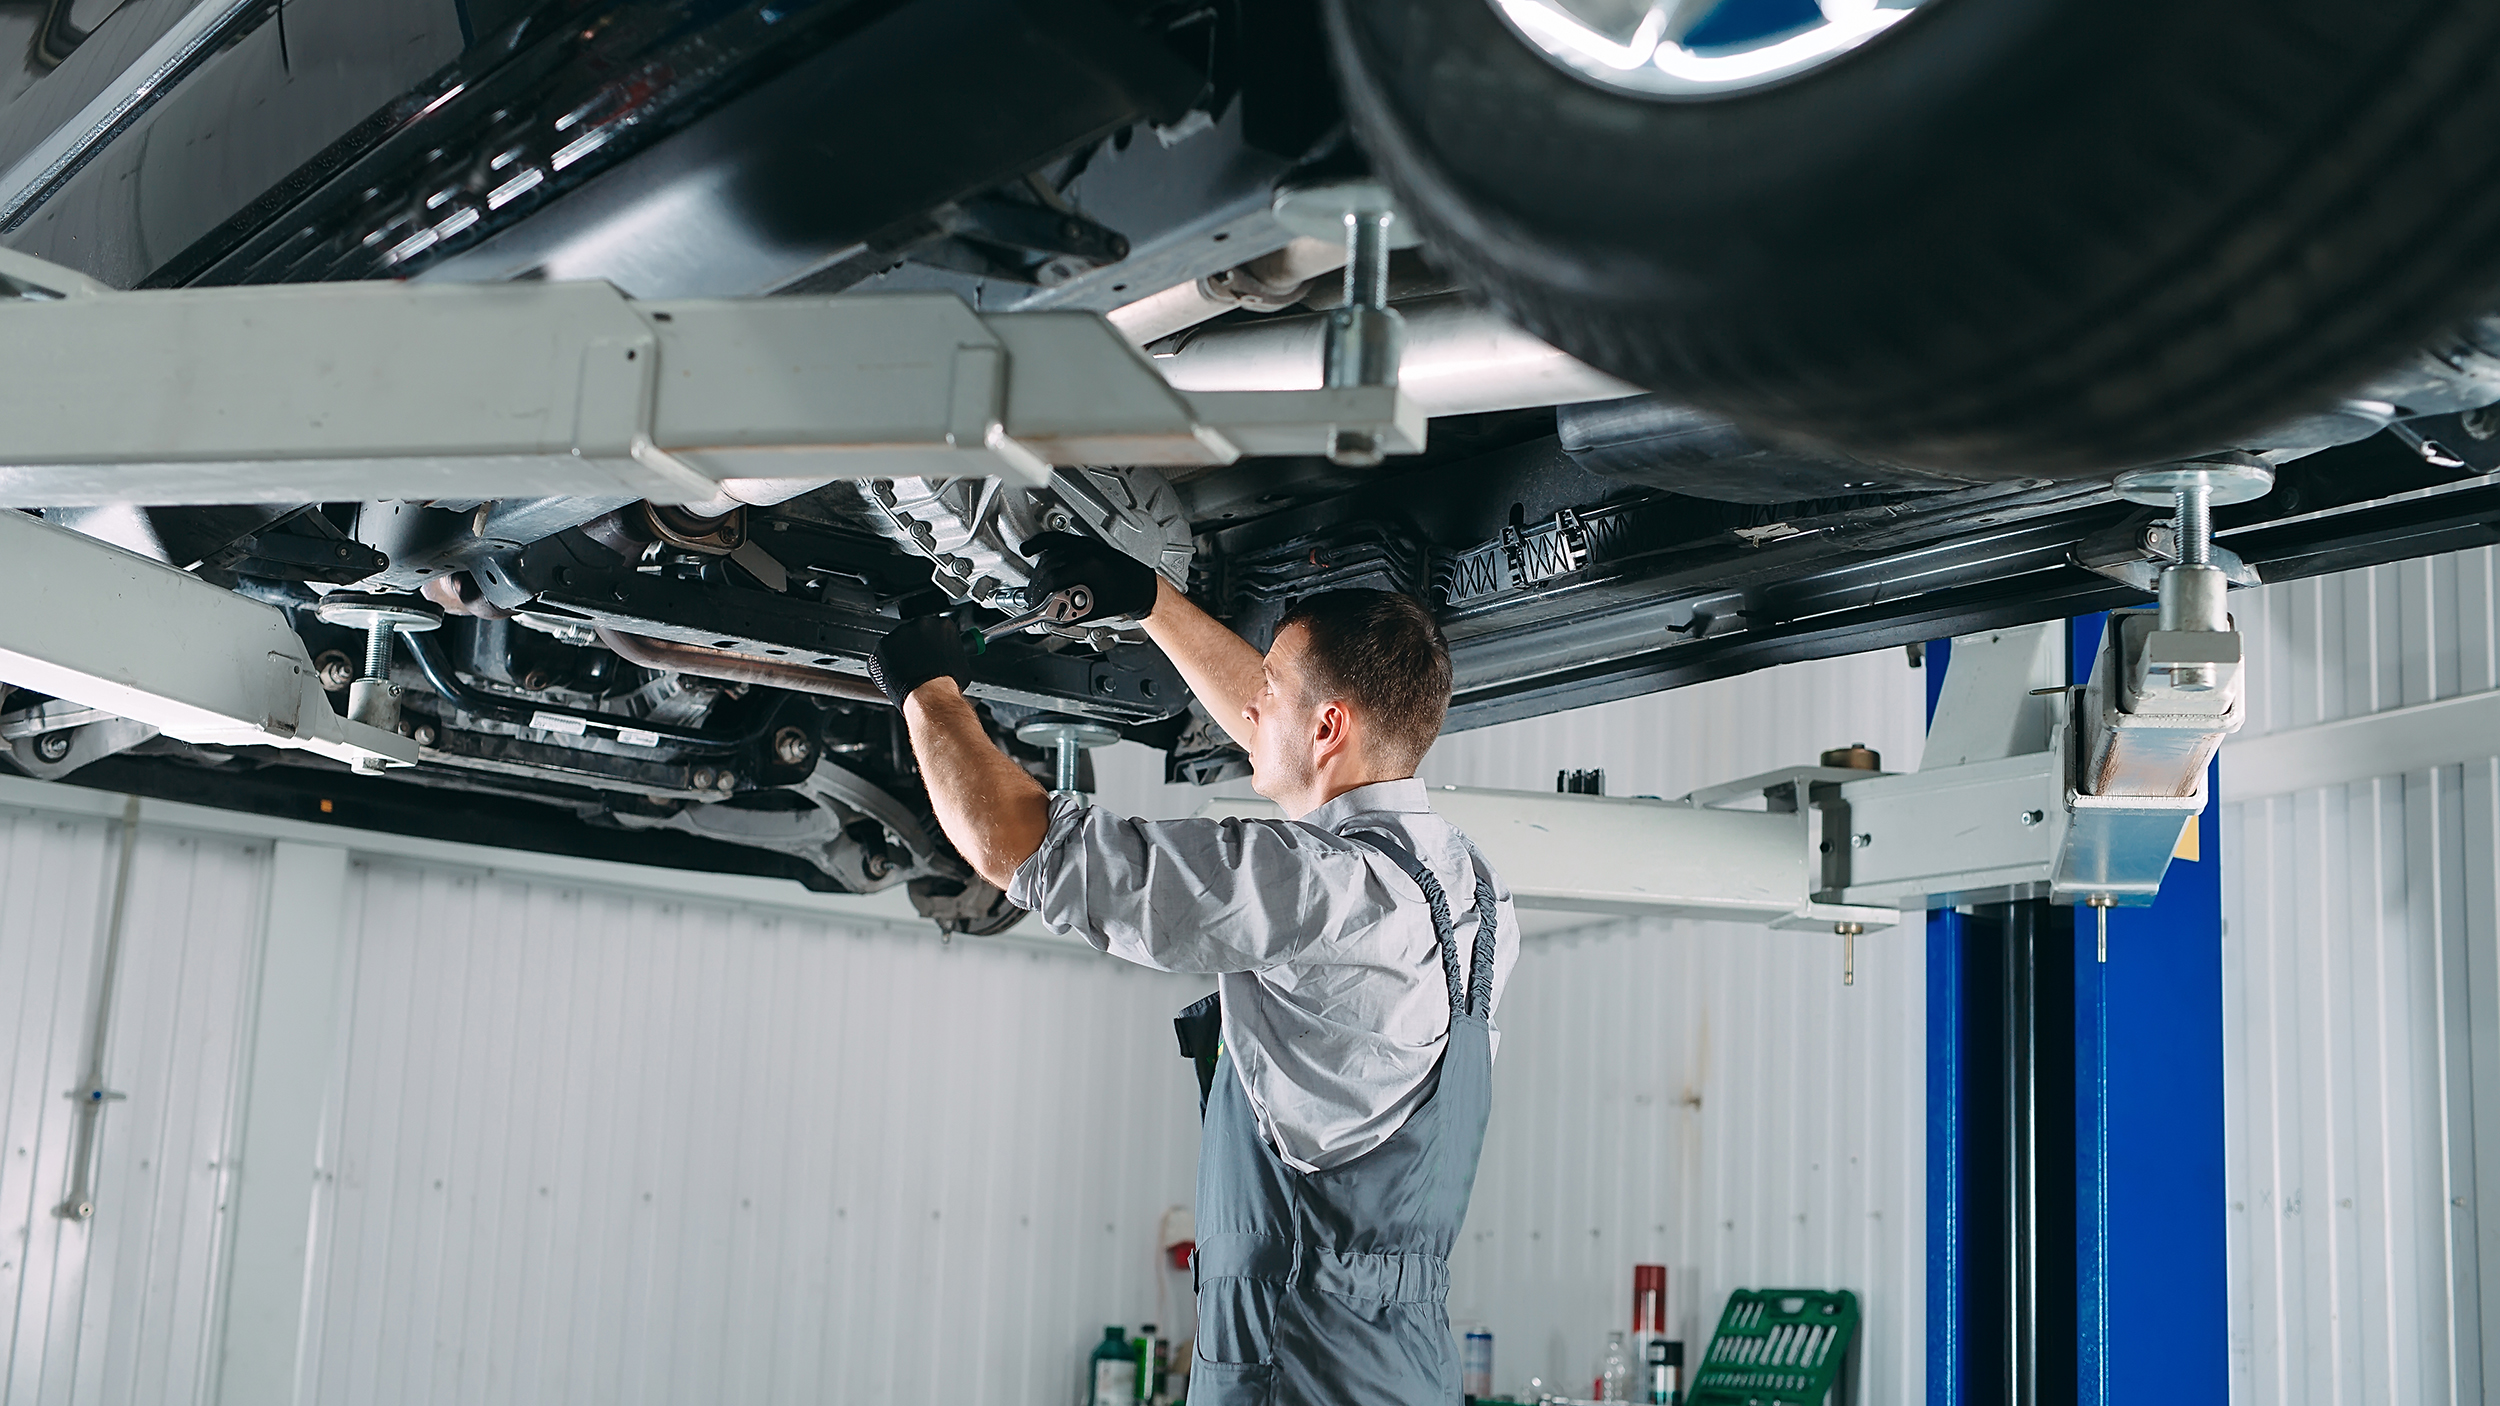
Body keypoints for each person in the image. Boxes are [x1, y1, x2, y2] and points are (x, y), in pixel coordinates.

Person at [868, 533, 1519, 1406]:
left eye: (1270, 693)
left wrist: (925, 692)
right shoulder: (1471, 892)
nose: (1251, 709)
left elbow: (1022, 847)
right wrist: (1151, 602)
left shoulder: (1316, 889)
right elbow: (1291, 747)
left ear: (1330, 727)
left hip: (1293, 1377)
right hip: (1406, 1375)